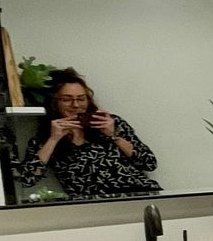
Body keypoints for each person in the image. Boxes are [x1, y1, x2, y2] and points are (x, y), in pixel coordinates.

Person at [13, 69, 160, 200]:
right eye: (67, 99)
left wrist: (114, 135)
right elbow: (27, 179)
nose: (76, 105)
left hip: (142, 196)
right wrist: (53, 139)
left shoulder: (109, 122)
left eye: (81, 99)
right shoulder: (45, 138)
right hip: (91, 208)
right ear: (54, 102)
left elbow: (149, 163)